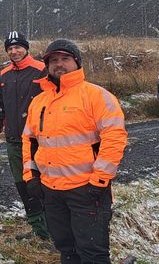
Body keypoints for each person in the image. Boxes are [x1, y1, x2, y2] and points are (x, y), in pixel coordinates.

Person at [22, 39, 128, 263]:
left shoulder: (97, 96)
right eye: (53, 60)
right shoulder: (39, 101)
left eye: (65, 59)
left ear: (77, 62)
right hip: (51, 190)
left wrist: (99, 181)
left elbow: (114, 138)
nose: (59, 64)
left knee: (92, 252)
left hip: (86, 190)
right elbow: (29, 141)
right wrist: (30, 176)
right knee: (66, 249)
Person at [0, 31, 50, 239]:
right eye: (10, 48)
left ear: (26, 48)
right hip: (14, 141)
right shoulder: (4, 74)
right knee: (22, 185)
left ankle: (54, 229)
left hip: (39, 141)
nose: (14, 51)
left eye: (18, 47)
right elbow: (0, 105)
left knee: (43, 184)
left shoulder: (41, 70)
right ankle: (38, 229)